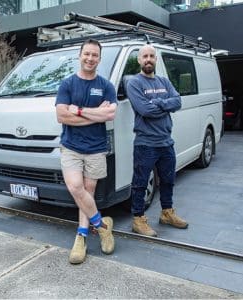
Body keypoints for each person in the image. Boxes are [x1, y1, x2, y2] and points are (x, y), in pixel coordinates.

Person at [56, 39, 117, 264]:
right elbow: (62, 116)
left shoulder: (106, 86)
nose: (90, 58)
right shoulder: (67, 84)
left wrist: (79, 111)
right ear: (79, 55)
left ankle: (81, 236)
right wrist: (94, 114)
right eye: (87, 54)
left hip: (96, 148)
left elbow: (109, 115)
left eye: (95, 55)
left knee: (88, 194)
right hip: (71, 147)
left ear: (99, 59)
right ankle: (102, 226)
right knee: (75, 187)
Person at [127, 44, 188, 237]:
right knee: (140, 182)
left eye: (151, 56)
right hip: (145, 143)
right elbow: (144, 110)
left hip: (166, 141)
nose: (148, 59)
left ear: (155, 59)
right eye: (144, 56)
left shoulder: (164, 81)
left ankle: (167, 213)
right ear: (139, 60)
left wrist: (158, 103)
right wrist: (165, 105)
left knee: (169, 180)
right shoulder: (134, 83)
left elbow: (178, 101)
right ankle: (138, 219)